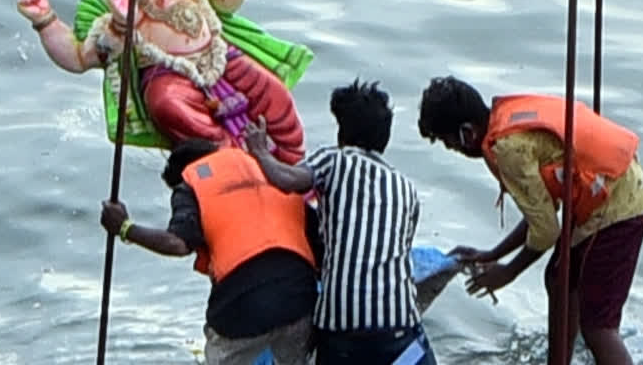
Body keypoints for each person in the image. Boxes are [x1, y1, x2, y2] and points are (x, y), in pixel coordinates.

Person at [417, 75, 643, 365]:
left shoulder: (508, 149)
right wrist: (493, 254)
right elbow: (541, 212)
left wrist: (508, 272)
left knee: (598, 326)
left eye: (448, 142)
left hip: (615, 205)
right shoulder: (504, 122)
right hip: (609, 190)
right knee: (559, 279)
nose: (451, 149)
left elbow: (545, 232)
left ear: (467, 132)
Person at [244, 79, 437, 365]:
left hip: (343, 332)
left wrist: (259, 152)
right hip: (398, 331)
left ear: (343, 133)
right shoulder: (406, 189)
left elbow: (288, 181)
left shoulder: (334, 160)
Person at [99, 138, 320, 365]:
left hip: (242, 301)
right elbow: (321, 245)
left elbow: (177, 243)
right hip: (299, 296)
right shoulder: (272, 171)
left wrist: (125, 227)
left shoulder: (192, 180)